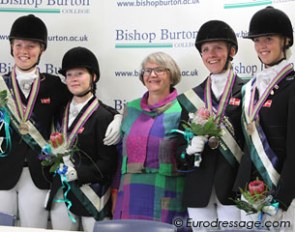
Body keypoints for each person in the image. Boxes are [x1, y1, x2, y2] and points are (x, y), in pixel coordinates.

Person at [0, 14, 120, 229]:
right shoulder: (0, 84)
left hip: (39, 175)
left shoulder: (55, 85)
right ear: (11, 47)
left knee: (33, 228)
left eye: (32, 45)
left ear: (42, 50)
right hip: (2, 170)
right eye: (18, 45)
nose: (24, 51)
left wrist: (119, 116)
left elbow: (86, 103)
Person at [176, 20, 245, 231]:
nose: (211, 54)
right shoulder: (193, 97)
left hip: (232, 186)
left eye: (218, 48)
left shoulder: (247, 91)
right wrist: (188, 148)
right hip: (199, 187)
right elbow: (179, 147)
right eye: (205, 49)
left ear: (231, 51)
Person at [234, 6, 295, 230]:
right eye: (257, 40)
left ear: (286, 40)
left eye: (268, 39)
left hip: (283, 191)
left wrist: (284, 198)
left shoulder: (292, 86)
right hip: (250, 191)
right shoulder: (250, 87)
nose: (261, 46)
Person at [45, 46, 118, 232]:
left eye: (80, 73)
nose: (73, 79)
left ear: (93, 77)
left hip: (91, 195)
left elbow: (108, 164)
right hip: (62, 194)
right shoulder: (59, 110)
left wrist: (79, 173)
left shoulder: (104, 116)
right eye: (69, 75)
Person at [112, 52, 188, 229]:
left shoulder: (184, 107)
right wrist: (114, 191)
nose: (152, 75)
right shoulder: (130, 109)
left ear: (172, 75)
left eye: (159, 70)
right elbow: (119, 157)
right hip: (130, 191)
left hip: (166, 192)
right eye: (147, 70)